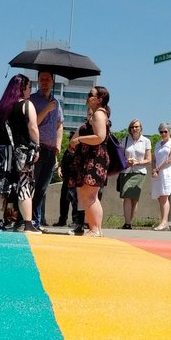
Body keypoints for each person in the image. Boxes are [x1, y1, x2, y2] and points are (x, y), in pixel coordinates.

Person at [0, 75, 40, 232]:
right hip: (21, 152)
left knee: (0, 188)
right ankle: (28, 223)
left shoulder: (0, 107)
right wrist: (37, 147)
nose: (30, 90)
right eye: (29, 87)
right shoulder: (27, 105)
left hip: (1, 151)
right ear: (23, 88)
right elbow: (33, 128)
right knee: (24, 185)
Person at [68, 85, 111, 237]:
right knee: (89, 194)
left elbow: (100, 136)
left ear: (99, 99)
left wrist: (79, 139)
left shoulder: (99, 114)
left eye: (90, 94)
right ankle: (96, 228)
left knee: (90, 195)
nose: (87, 97)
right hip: (91, 158)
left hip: (95, 158)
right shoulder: (97, 114)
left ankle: (95, 229)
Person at [29, 71, 64, 229]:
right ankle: (30, 219)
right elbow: (33, 122)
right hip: (37, 148)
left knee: (43, 188)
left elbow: (59, 125)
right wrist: (46, 110)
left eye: (47, 79)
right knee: (33, 185)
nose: (44, 82)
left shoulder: (56, 103)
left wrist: (58, 145)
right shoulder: (32, 100)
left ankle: (37, 219)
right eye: (41, 79)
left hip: (51, 150)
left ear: (53, 81)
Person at [117, 120, 152, 229]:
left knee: (134, 199)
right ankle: (127, 223)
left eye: (136, 126)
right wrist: (126, 162)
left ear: (141, 128)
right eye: (132, 127)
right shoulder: (125, 140)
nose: (134, 129)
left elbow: (149, 159)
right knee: (127, 196)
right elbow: (121, 156)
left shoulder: (146, 141)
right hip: (126, 171)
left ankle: (129, 222)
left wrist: (138, 163)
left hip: (139, 172)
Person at [150, 122, 171, 230]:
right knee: (159, 197)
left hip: (166, 172)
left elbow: (170, 159)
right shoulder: (158, 144)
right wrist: (154, 169)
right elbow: (154, 158)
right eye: (161, 132)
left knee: (164, 196)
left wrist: (158, 168)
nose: (163, 133)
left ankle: (164, 221)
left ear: (169, 131)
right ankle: (163, 221)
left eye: (165, 131)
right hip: (157, 173)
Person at [54, 129, 79, 228]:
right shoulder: (68, 150)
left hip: (75, 178)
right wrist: (60, 168)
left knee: (74, 200)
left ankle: (75, 220)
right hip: (66, 178)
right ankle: (62, 220)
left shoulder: (79, 150)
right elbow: (63, 161)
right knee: (64, 200)